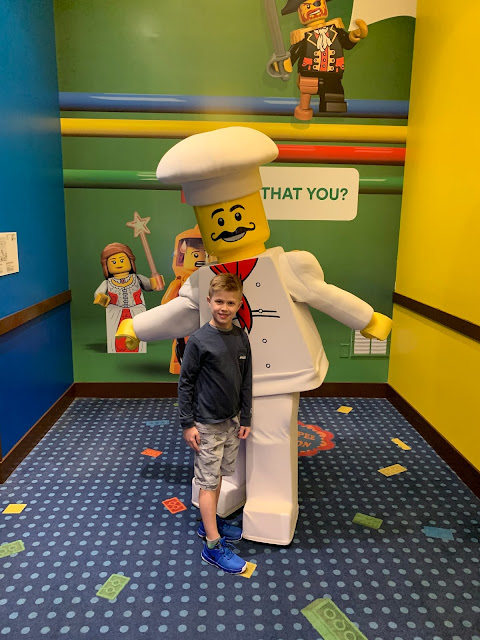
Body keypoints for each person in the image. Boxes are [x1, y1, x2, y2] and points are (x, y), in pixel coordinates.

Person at [178, 273, 252, 574]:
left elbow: (246, 379)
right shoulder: (199, 340)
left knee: (218, 475)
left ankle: (211, 523)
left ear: (239, 304)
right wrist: (188, 424)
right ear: (209, 301)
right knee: (208, 483)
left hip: (231, 421)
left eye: (230, 303)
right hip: (207, 423)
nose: (224, 308)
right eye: (219, 301)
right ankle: (212, 545)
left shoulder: (241, 336)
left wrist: (245, 416)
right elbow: (185, 384)